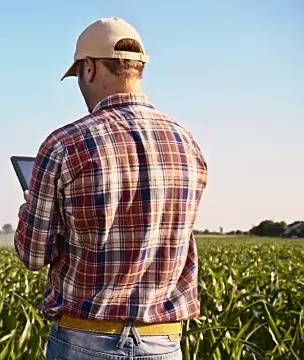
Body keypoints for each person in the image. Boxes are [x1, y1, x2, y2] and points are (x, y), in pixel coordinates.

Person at [13, 17, 208, 360]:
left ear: (88, 68)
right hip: (163, 343)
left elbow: (32, 255)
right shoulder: (186, 142)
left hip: (84, 340)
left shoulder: (65, 144)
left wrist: (31, 209)